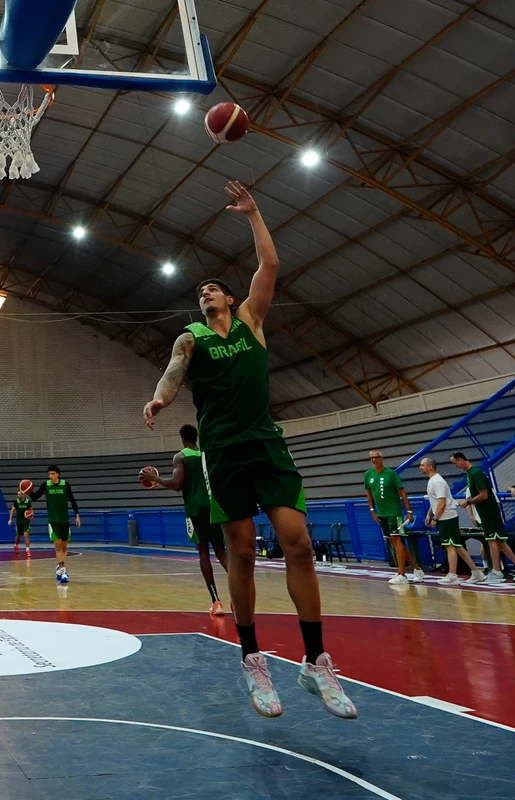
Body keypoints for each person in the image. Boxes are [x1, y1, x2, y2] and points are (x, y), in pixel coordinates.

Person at [142, 181, 356, 720]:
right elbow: (173, 373)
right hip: (223, 452)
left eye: (214, 289)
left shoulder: (253, 323)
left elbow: (271, 263)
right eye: (200, 293)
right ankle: (252, 658)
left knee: (298, 543)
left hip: (266, 444)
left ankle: (315, 661)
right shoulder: (192, 337)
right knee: (239, 551)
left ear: (231, 298)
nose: (206, 294)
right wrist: (160, 400)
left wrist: (254, 212)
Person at [142, 424, 228, 614]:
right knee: (222, 553)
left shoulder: (181, 456)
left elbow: (176, 484)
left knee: (204, 553)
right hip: (214, 507)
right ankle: (238, 597)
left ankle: (217, 602)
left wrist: (155, 479)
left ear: (182, 438)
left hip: (195, 509)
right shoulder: (206, 454)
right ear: (196, 437)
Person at [450, 452, 515, 583]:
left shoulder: (475, 473)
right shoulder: (471, 474)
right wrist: (468, 501)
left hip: (489, 512)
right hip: (485, 512)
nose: (455, 466)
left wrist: (468, 502)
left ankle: (498, 571)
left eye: (455, 463)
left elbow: (484, 495)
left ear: (461, 459)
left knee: (493, 540)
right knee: (499, 542)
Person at [418, 458, 484, 586]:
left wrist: (435, 519)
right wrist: (429, 514)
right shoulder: (433, 481)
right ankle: (476, 572)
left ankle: (452, 575)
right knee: (457, 546)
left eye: (422, 465)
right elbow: (436, 501)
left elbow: (442, 502)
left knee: (450, 545)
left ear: (430, 467)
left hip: (447, 517)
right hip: (445, 517)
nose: (420, 467)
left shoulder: (437, 481)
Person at [364, 451, 424, 586]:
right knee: (396, 543)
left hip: (394, 513)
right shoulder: (368, 474)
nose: (374, 460)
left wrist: (409, 511)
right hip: (381, 514)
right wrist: (372, 510)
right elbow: (369, 493)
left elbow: (402, 492)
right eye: (372, 458)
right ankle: (417, 569)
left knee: (397, 541)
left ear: (382, 458)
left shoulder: (391, 474)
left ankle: (402, 574)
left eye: (376, 457)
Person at [29, 466, 81, 583]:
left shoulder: (65, 484)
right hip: (53, 520)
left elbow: (72, 499)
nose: (50, 476)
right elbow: (35, 497)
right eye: (49, 474)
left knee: (64, 547)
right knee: (58, 546)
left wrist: (77, 514)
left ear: (58, 474)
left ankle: (59, 567)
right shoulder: (46, 485)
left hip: (64, 520)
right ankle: (63, 571)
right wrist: (28, 491)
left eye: (52, 474)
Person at [9, 490, 33, 556]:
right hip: (19, 520)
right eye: (17, 494)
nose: (18, 495)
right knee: (18, 536)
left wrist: (31, 516)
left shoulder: (27, 502)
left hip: (26, 520)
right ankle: (16, 545)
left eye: (19, 494)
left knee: (26, 534)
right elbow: (12, 510)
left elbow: (31, 510)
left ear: (23, 495)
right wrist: (10, 519)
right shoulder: (16, 502)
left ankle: (27, 550)